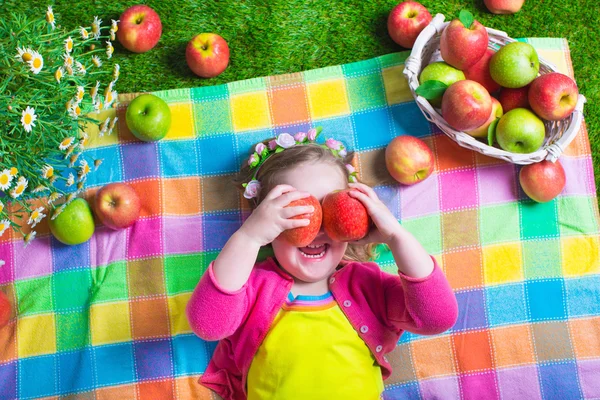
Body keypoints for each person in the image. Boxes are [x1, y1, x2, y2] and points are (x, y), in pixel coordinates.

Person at [186, 128, 458, 400]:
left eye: (329, 211)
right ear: (265, 221)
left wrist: (397, 237)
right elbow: (208, 325)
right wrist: (249, 236)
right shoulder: (253, 287)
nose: (316, 229)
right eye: (297, 212)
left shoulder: (369, 287)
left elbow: (437, 318)